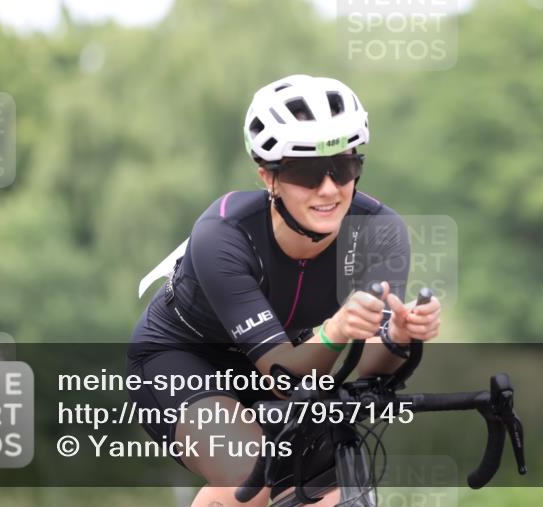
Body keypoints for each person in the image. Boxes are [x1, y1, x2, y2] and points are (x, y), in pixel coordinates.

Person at [127, 74, 442, 507]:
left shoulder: (381, 233)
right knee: (251, 470)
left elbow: (369, 369)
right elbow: (281, 377)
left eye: (345, 168)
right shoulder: (223, 234)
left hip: (295, 359)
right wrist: (335, 332)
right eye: (308, 173)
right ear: (267, 176)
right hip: (184, 359)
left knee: (328, 493)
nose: (330, 189)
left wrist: (398, 337)